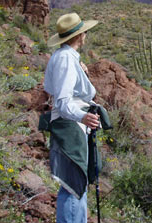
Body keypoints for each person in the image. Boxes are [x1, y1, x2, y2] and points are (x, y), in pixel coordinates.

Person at [44, 12, 100, 223]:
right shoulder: (66, 59)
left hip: (70, 125)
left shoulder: (63, 57)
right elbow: (63, 101)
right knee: (73, 184)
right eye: (84, 32)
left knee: (75, 183)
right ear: (79, 35)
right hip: (71, 126)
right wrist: (83, 116)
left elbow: (53, 89)